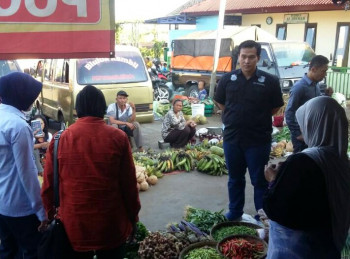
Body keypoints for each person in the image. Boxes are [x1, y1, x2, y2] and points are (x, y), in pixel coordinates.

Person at [41, 85, 141, 259]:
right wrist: (133, 217)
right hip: (111, 225)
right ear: (102, 108)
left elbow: (48, 184)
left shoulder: (59, 139)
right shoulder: (118, 138)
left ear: (77, 109)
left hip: (73, 226)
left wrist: (49, 215)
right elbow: (129, 185)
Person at [263, 96, 350, 259]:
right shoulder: (341, 160)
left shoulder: (303, 162)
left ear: (315, 124)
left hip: (300, 251)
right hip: (328, 246)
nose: (300, 134)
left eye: (304, 124)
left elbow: (277, 209)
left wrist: (273, 179)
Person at [214, 40, 284, 221]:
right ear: (238, 57)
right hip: (232, 139)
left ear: (258, 58)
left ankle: (262, 215)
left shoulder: (269, 81)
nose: (246, 61)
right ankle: (235, 211)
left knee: (259, 180)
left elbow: (275, 108)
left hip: (258, 140)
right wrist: (235, 118)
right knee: (235, 179)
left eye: (251, 57)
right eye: (243, 56)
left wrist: (254, 118)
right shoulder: (228, 80)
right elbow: (221, 103)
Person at [0, 72, 48, 258]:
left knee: (7, 250)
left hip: (3, 203)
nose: (32, 101)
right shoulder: (18, 126)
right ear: (21, 96)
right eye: (31, 97)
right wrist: (41, 211)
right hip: (20, 207)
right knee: (30, 252)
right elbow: (27, 173)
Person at [285, 55, 329, 153]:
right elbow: (289, 112)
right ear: (313, 69)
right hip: (302, 137)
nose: (325, 74)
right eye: (323, 71)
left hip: (312, 133)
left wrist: (327, 95)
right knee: (301, 164)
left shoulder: (315, 85)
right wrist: (297, 134)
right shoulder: (299, 87)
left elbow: (315, 103)